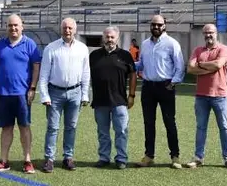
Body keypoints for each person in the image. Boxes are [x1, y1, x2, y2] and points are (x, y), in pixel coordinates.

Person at [0, 14, 41, 174]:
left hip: (22, 94)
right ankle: (3, 161)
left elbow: (36, 67)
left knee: (24, 127)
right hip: (3, 94)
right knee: (6, 128)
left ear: (22, 26)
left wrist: (32, 88)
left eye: (16, 25)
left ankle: (27, 160)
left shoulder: (30, 44)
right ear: (6, 27)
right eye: (10, 25)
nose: (13, 28)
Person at [37, 17, 91, 173]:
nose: (67, 30)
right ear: (61, 29)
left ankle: (68, 157)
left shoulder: (82, 48)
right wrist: (44, 95)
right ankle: (49, 159)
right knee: (52, 127)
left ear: (75, 30)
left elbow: (86, 72)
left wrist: (84, 94)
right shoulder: (51, 48)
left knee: (71, 127)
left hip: (75, 92)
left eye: (70, 28)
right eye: (65, 27)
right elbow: (44, 74)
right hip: (55, 93)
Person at [185, 23, 227, 169]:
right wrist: (209, 67)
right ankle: (198, 157)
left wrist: (200, 65)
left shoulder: (224, 49)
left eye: (211, 32)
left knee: (224, 127)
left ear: (216, 33)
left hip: (219, 95)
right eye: (206, 33)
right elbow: (190, 68)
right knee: (201, 127)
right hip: (201, 96)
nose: (208, 35)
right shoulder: (197, 50)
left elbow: (218, 64)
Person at [136, 14, 185, 169]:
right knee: (148, 123)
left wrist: (173, 82)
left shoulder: (172, 44)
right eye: (153, 24)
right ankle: (149, 156)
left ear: (165, 25)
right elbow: (141, 64)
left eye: (159, 24)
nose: (156, 27)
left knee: (170, 122)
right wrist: (125, 62)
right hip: (148, 87)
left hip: (166, 87)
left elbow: (180, 66)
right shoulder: (144, 44)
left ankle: (175, 156)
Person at [90, 26, 136, 169]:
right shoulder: (94, 55)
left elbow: (133, 75)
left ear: (117, 38)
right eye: (107, 37)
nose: (109, 39)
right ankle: (104, 157)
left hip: (120, 101)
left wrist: (132, 95)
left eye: (112, 37)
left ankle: (121, 158)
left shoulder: (125, 55)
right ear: (103, 37)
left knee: (121, 131)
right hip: (100, 101)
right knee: (103, 132)